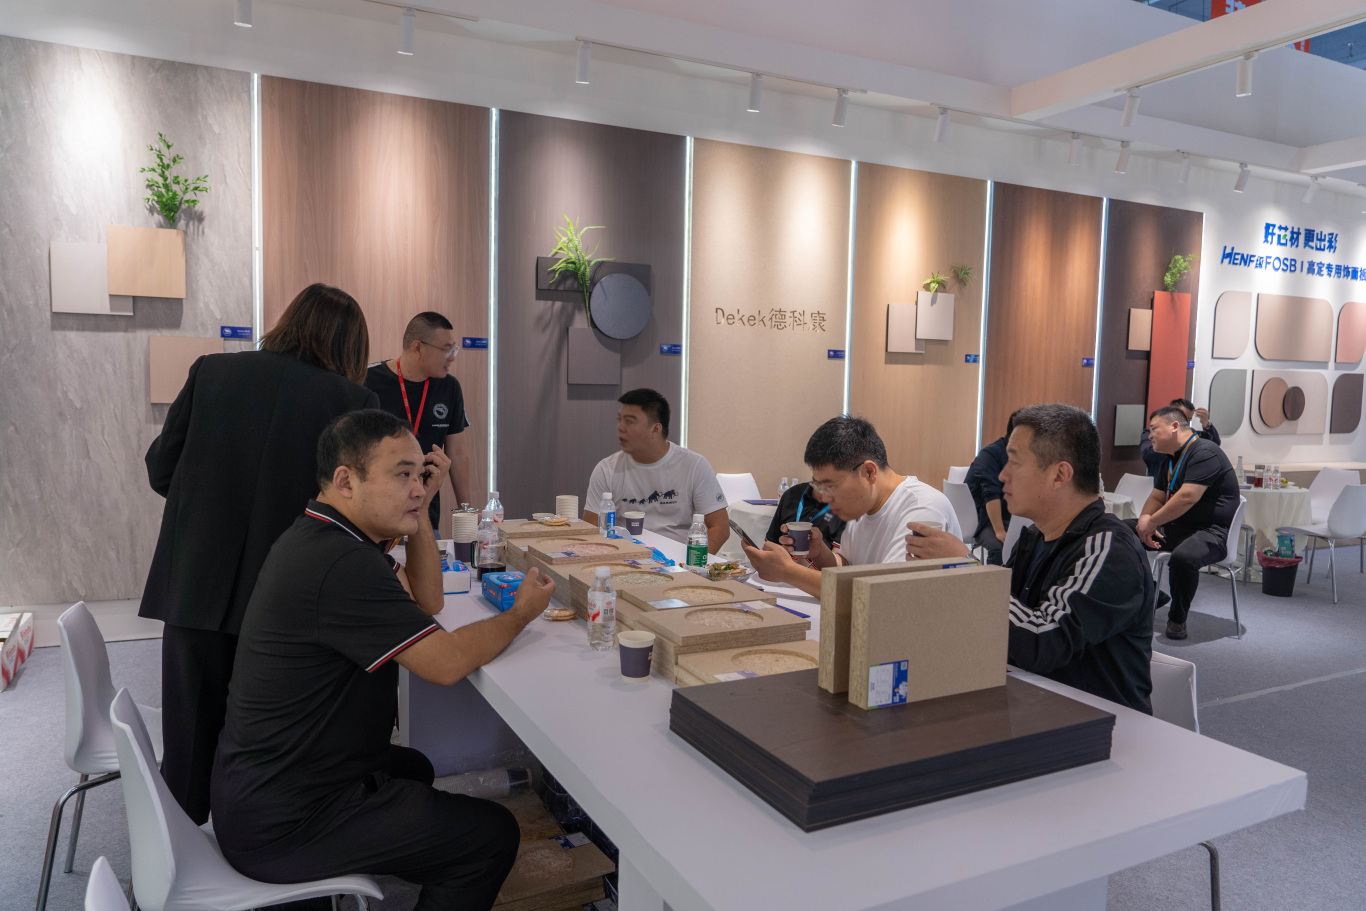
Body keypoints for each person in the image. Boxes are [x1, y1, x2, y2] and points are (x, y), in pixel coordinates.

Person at [212, 409, 557, 911]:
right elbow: (446, 664)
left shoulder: (329, 535)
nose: (417, 488)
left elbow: (427, 601)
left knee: (413, 767)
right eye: (401, 475)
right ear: (346, 481)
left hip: (270, 785)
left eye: (420, 475)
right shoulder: (341, 564)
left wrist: (419, 511)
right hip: (285, 822)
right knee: (490, 837)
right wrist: (521, 613)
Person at [141, 282, 378, 824]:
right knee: (272, 753)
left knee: (188, 751)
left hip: (196, 585)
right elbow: (358, 510)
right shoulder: (354, 404)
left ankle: (177, 858)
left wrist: (206, 511)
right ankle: (260, 855)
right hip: (288, 604)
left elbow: (161, 470)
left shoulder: (212, 371)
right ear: (351, 346)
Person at [905, 404, 1155, 714]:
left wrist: (965, 568)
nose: (1002, 475)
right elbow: (1001, 621)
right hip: (1034, 705)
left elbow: (1041, 642)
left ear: (1059, 475)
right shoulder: (1036, 536)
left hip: (1099, 722)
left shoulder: (1107, 548)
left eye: (1014, 462)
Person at [742, 416, 961, 597]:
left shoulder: (922, 509)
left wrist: (788, 572)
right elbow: (847, 567)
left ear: (869, 472)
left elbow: (885, 595)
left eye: (831, 486)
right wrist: (821, 555)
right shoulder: (861, 506)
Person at [1133, 404, 1240, 641]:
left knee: (1183, 558)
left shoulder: (1205, 452)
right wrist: (1143, 521)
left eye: (1154, 429)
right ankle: (1151, 591)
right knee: (1118, 533)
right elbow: (1157, 497)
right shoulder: (1170, 459)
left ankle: (1177, 619)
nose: (1149, 436)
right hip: (1177, 527)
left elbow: (1187, 497)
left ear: (1174, 426)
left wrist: (1152, 523)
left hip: (1212, 532)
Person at [583, 388, 729, 551]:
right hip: (625, 557)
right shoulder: (607, 469)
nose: (620, 428)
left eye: (630, 422)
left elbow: (720, 528)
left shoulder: (694, 465)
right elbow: (590, 528)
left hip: (679, 559)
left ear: (655, 429)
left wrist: (693, 562)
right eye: (620, 420)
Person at [366, 311, 472, 530]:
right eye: (446, 350)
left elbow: (457, 453)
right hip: (376, 517)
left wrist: (468, 512)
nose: (452, 357)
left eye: (454, 349)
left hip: (424, 515)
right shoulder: (368, 380)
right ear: (418, 348)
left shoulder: (449, 387)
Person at [965, 411, 1019, 565]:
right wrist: (999, 531)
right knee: (999, 547)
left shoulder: (1025, 455)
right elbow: (991, 494)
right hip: (983, 519)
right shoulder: (990, 454)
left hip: (1010, 516)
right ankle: (992, 580)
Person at [1140, 397, 1221, 481]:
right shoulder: (1151, 433)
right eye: (1182, 417)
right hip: (1158, 479)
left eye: (1188, 420)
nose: (1184, 422)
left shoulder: (1190, 433)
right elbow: (1147, 454)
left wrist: (1207, 424)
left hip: (1184, 480)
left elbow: (1214, 444)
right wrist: (1173, 446)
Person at [764, 481, 846, 548]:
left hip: (818, 563)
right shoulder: (792, 494)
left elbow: (839, 561)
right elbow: (770, 545)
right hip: (783, 560)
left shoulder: (846, 506)